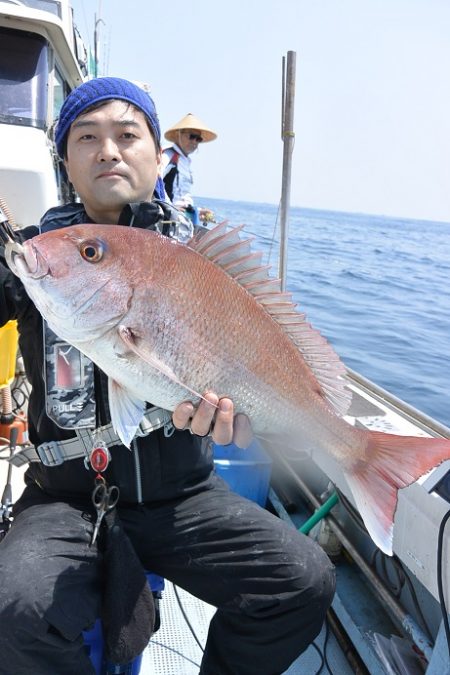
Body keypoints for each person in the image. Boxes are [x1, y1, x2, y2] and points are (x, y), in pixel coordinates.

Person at [0, 77, 335, 675]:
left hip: (183, 496)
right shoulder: (35, 259)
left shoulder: (196, 257)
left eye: (128, 135)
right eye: (87, 137)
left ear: (160, 157)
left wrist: (246, 415)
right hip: (64, 499)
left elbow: (247, 347)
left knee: (302, 580)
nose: (108, 150)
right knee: (17, 608)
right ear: (65, 163)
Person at [162, 112, 217, 223]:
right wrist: (168, 207)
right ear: (179, 134)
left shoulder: (186, 162)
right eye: (192, 136)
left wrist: (198, 211)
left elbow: (183, 197)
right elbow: (151, 183)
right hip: (167, 218)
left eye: (198, 139)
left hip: (182, 218)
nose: (194, 141)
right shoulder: (167, 155)